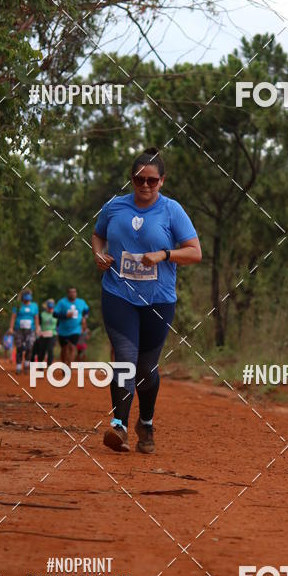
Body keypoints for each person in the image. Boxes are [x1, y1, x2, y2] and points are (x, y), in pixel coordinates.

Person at [91, 146, 202, 454]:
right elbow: (97, 234)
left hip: (158, 299)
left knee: (146, 368)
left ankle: (147, 423)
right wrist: (98, 254)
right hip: (119, 294)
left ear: (162, 182)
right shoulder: (114, 207)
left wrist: (165, 255)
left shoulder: (172, 211)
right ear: (131, 179)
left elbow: (195, 252)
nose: (145, 186)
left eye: (152, 181)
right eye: (139, 180)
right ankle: (120, 427)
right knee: (124, 358)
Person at [53, 287, 89, 364]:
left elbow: (86, 310)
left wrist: (84, 318)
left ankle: (69, 366)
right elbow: (54, 314)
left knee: (72, 347)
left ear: (76, 293)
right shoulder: (62, 302)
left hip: (76, 329)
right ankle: (64, 364)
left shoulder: (81, 302)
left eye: (74, 292)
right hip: (63, 330)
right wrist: (65, 316)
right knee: (64, 349)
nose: (73, 294)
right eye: (71, 292)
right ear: (67, 294)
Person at [8, 290, 40, 374]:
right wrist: (11, 328)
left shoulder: (34, 306)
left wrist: (37, 328)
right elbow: (13, 317)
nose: (27, 299)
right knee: (19, 347)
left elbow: (36, 318)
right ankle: (18, 366)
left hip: (31, 330)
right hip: (19, 330)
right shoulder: (18, 305)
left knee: (30, 346)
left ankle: (26, 363)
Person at [36, 299, 57, 366]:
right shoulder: (42, 314)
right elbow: (38, 324)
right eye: (49, 307)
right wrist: (38, 331)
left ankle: (49, 365)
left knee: (50, 350)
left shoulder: (56, 315)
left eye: (52, 308)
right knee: (42, 351)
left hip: (52, 335)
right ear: (46, 307)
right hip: (43, 335)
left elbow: (59, 325)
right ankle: (40, 365)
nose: (50, 309)